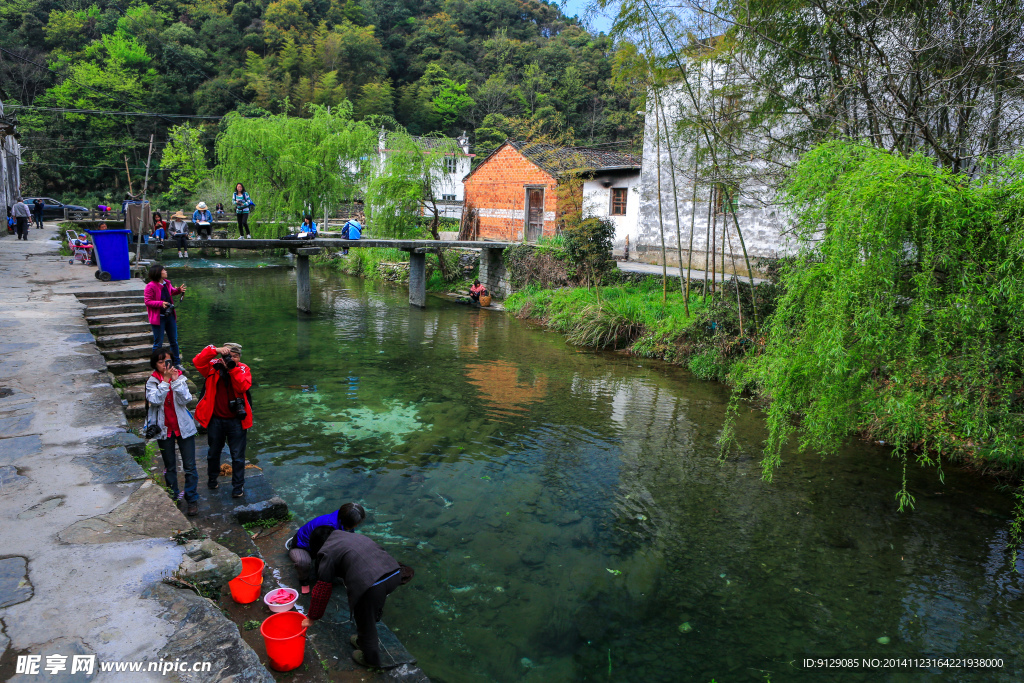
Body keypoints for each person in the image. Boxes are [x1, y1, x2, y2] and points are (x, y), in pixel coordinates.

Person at [303, 530, 414, 668]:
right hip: (394, 572)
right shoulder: (346, 535)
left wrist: (312, 617)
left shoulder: (326, 552)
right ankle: (362, 640)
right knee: (372, 606)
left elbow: (322, 589)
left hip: (372, 584)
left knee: (365, 621)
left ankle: (371, 659)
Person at [193, 343, 253, 499]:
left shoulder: (243, 369)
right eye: (228, 355)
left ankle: (238, 487)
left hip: (237, 421)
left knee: (238, 456)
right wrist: (216, 351)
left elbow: (242, 386)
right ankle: (212, 479)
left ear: (239, 357)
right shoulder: (213, 367)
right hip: (216, 419)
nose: (231, 358)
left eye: (235, 356)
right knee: (213, 453)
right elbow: (198, 361)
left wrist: (232, 368)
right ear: (221, 356)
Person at [146, 348, 199, 516]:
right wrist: (165, 381)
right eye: (160, 362)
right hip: (164, 430)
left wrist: (175, 381)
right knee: (170, 467)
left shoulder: (180, 377)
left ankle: (192, 499)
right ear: (155, 364)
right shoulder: (152, 382)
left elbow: (187, 400)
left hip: (183, 427)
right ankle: (174, 496)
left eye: (167, 361)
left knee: (190, 466)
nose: (164, 365)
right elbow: (155, 400)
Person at [288, 503, 366, 594]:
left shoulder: (343, 519)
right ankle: (303, 581)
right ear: (347, 521)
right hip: (303, 545)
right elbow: (322, 551)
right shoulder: (328, 526)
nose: (356, 526)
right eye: (355, 524)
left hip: (320, 544)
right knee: (303, 562)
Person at [144, 263, 187, 371]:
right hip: (159, 317)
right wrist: (160, 303)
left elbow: (171, 292)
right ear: (158, 272)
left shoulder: (166, 283)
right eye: (164, 270)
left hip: (170, 316)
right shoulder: (150, 286)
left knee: (174, 341)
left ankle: (177, 363)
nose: (166, 271)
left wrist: (178, 291)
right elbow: (148, 301)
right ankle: (156, 365)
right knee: (158, 342)